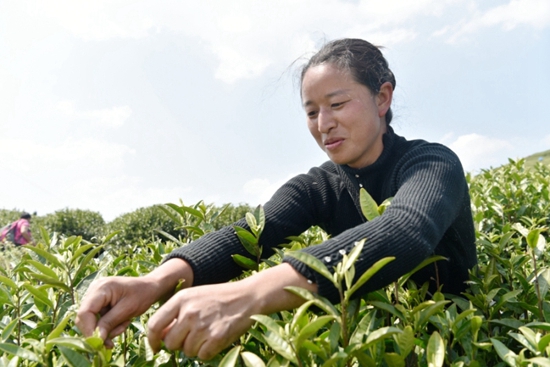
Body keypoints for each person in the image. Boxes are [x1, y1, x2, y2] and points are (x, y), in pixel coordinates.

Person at [76, 38, 477, 361]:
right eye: (311, 112)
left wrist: (248, 294)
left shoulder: (431, 163)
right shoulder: (318, 185)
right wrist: (154, 281)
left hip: (462, 342)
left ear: (382, 98)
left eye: (337, 104)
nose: (323, 125)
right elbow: (248, 235)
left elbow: (404, 230)